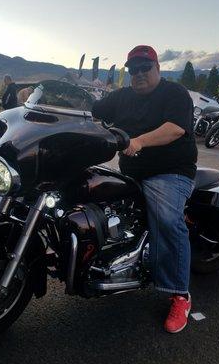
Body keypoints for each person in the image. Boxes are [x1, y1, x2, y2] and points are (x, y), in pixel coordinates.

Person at [91, 45, 197, 333]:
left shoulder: (174, 93)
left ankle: (179, 294)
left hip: (170, 172)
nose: (138, 74)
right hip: (133, 173)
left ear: (157, 69)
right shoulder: (121, 97)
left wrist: (139, 141)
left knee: (165, 217)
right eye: (133, 69)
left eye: (144, 68)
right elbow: (90, 110)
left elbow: (175, 128)